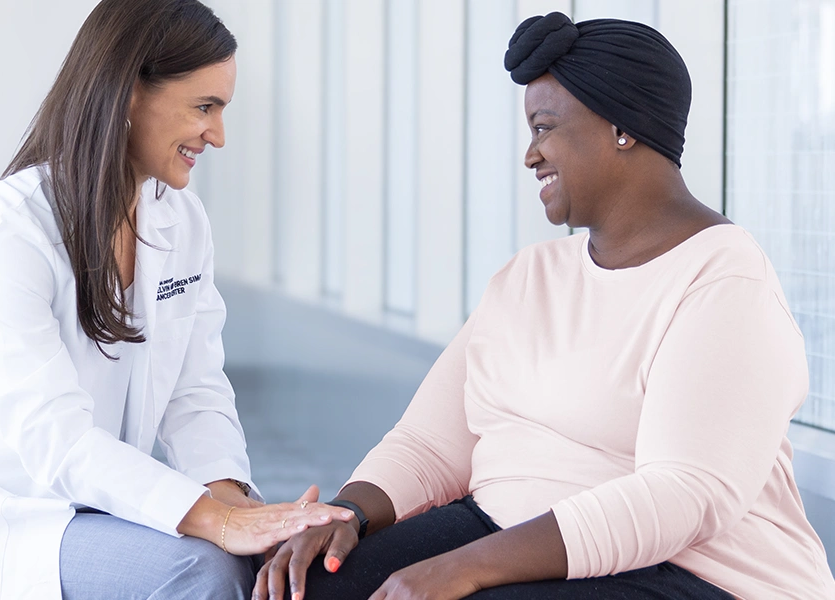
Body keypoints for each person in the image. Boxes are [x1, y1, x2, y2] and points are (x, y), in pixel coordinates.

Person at [253, 12, 835, 600]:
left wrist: (466, 567)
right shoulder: (528, 276)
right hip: (501, 525)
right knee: (308, 588)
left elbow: (682, 493)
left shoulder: (723, 281)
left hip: (694, 573)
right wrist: (346, 516)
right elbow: (429, 444)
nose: (531, 155)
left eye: (545, 127)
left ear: (622, 128)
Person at [0, 1, 354, 598]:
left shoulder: (180, 220)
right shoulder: (12, 227)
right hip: (5, 516)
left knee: (249, 565)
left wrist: (234, 501)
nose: (218, 135)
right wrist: (216, 523)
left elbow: (196, 389)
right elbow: (55, 435)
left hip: (100, 505)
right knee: (202, 569)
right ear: (129, 93)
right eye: (204, 107)